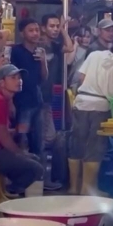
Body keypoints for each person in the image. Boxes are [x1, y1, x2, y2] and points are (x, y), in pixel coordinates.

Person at [69, 38, 113, 195]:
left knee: (77, 145)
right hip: (100, 108)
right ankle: (87, 189)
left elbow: (81, 78)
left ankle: (74, 187)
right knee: (95, 148)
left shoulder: (95, 55)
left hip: (81, 103)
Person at [0, 65, 43, 195]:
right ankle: (8, 194)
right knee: (36, 168)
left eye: (19, 77)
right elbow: (3, 137)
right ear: (1, 82)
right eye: (13, 77)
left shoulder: (2, 100)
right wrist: (21, 153)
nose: (19, 81)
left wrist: (17, 130)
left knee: (35, 160)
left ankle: (9, 192)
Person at [11, 18, 61, 191]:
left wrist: (43, 61)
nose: (35, 33)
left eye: (36, 30)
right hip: (22, 104)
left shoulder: (40, 52)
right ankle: (20, 182)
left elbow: (44, 77)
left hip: (38, 101)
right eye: (30, 30)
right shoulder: (16, 51)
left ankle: (40, 181)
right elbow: (12, 77)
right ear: (22, 33)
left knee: (39, 143)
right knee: (21, 141)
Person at [39, 13, 73, 188]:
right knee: (46, 138)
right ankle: (43, 178)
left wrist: (63, 31)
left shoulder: (55, 44)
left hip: (48, 97)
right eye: (51, 26)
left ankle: (45, 179)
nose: (54, 29)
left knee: (49, 137)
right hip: (39, 97)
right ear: (43, 27)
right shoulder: (39, 46)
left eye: (56, 26)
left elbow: (69, 47)